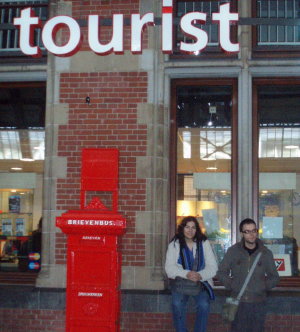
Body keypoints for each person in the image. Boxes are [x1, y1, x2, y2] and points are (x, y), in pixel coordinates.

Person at [217, 218, 279, 332]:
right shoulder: (233, 251)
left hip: (258, 303)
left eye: (254, 230)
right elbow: (221, 272)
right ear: (242, 233)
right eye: (247, 231)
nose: (251, 234)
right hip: (238, 303)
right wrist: (232, 285)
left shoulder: (265, 253)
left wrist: (263, 286)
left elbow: (274, 276)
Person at [165, 216, 218, 332]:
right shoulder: (174, 244)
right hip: (181, 283)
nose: (190, 230)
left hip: (201, 282)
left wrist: (200, 275)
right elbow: (169, 269)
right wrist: (187, 274)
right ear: (182, 228)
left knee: (204, 305)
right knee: (177, 304)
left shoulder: (204, 243)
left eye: (193, 228)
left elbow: (213, 267)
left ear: (197, 229)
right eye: (187, 227)